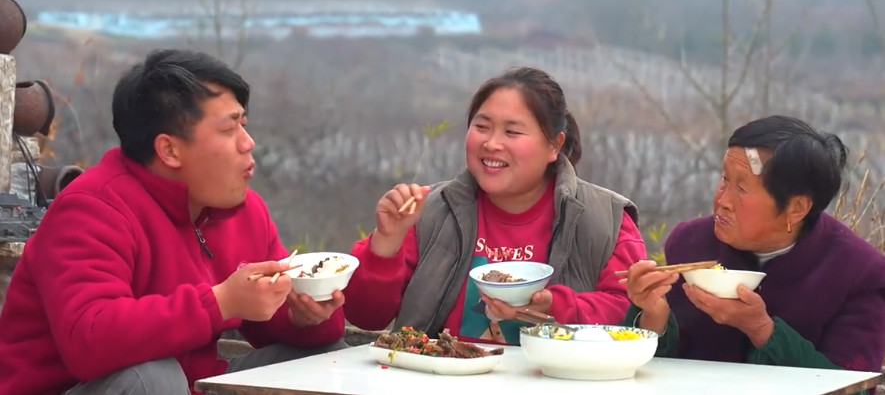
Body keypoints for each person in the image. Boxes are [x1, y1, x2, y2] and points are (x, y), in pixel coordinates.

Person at [0, 49, 347, 395]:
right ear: (169, 150)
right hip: (91, 387)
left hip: (193, 384)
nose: (248, 143)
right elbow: (89, 341)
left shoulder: (242, 209)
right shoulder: (91, 208)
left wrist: (305, 317)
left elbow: (270, 323)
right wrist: (221, 302)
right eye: (229, 129)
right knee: (151, 379)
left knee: (327, 360)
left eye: (244, 124)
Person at [344, 66, 646, 344]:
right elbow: (364, 315)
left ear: (554, 145)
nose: (491, 144)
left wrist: (558, 306)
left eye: (512, 132)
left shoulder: (603, 218)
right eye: (482, 127)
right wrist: (387, 242)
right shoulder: (430, 211)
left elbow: (633, 314)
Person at [624, 115, 885, 374]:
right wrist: (653, 315)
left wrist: (761, 329)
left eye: (742, 188)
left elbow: (852, 386)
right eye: (725, 179)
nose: (723, 200)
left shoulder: (859, 273)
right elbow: (655, 370)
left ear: (796, 208)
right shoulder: (691, 243)